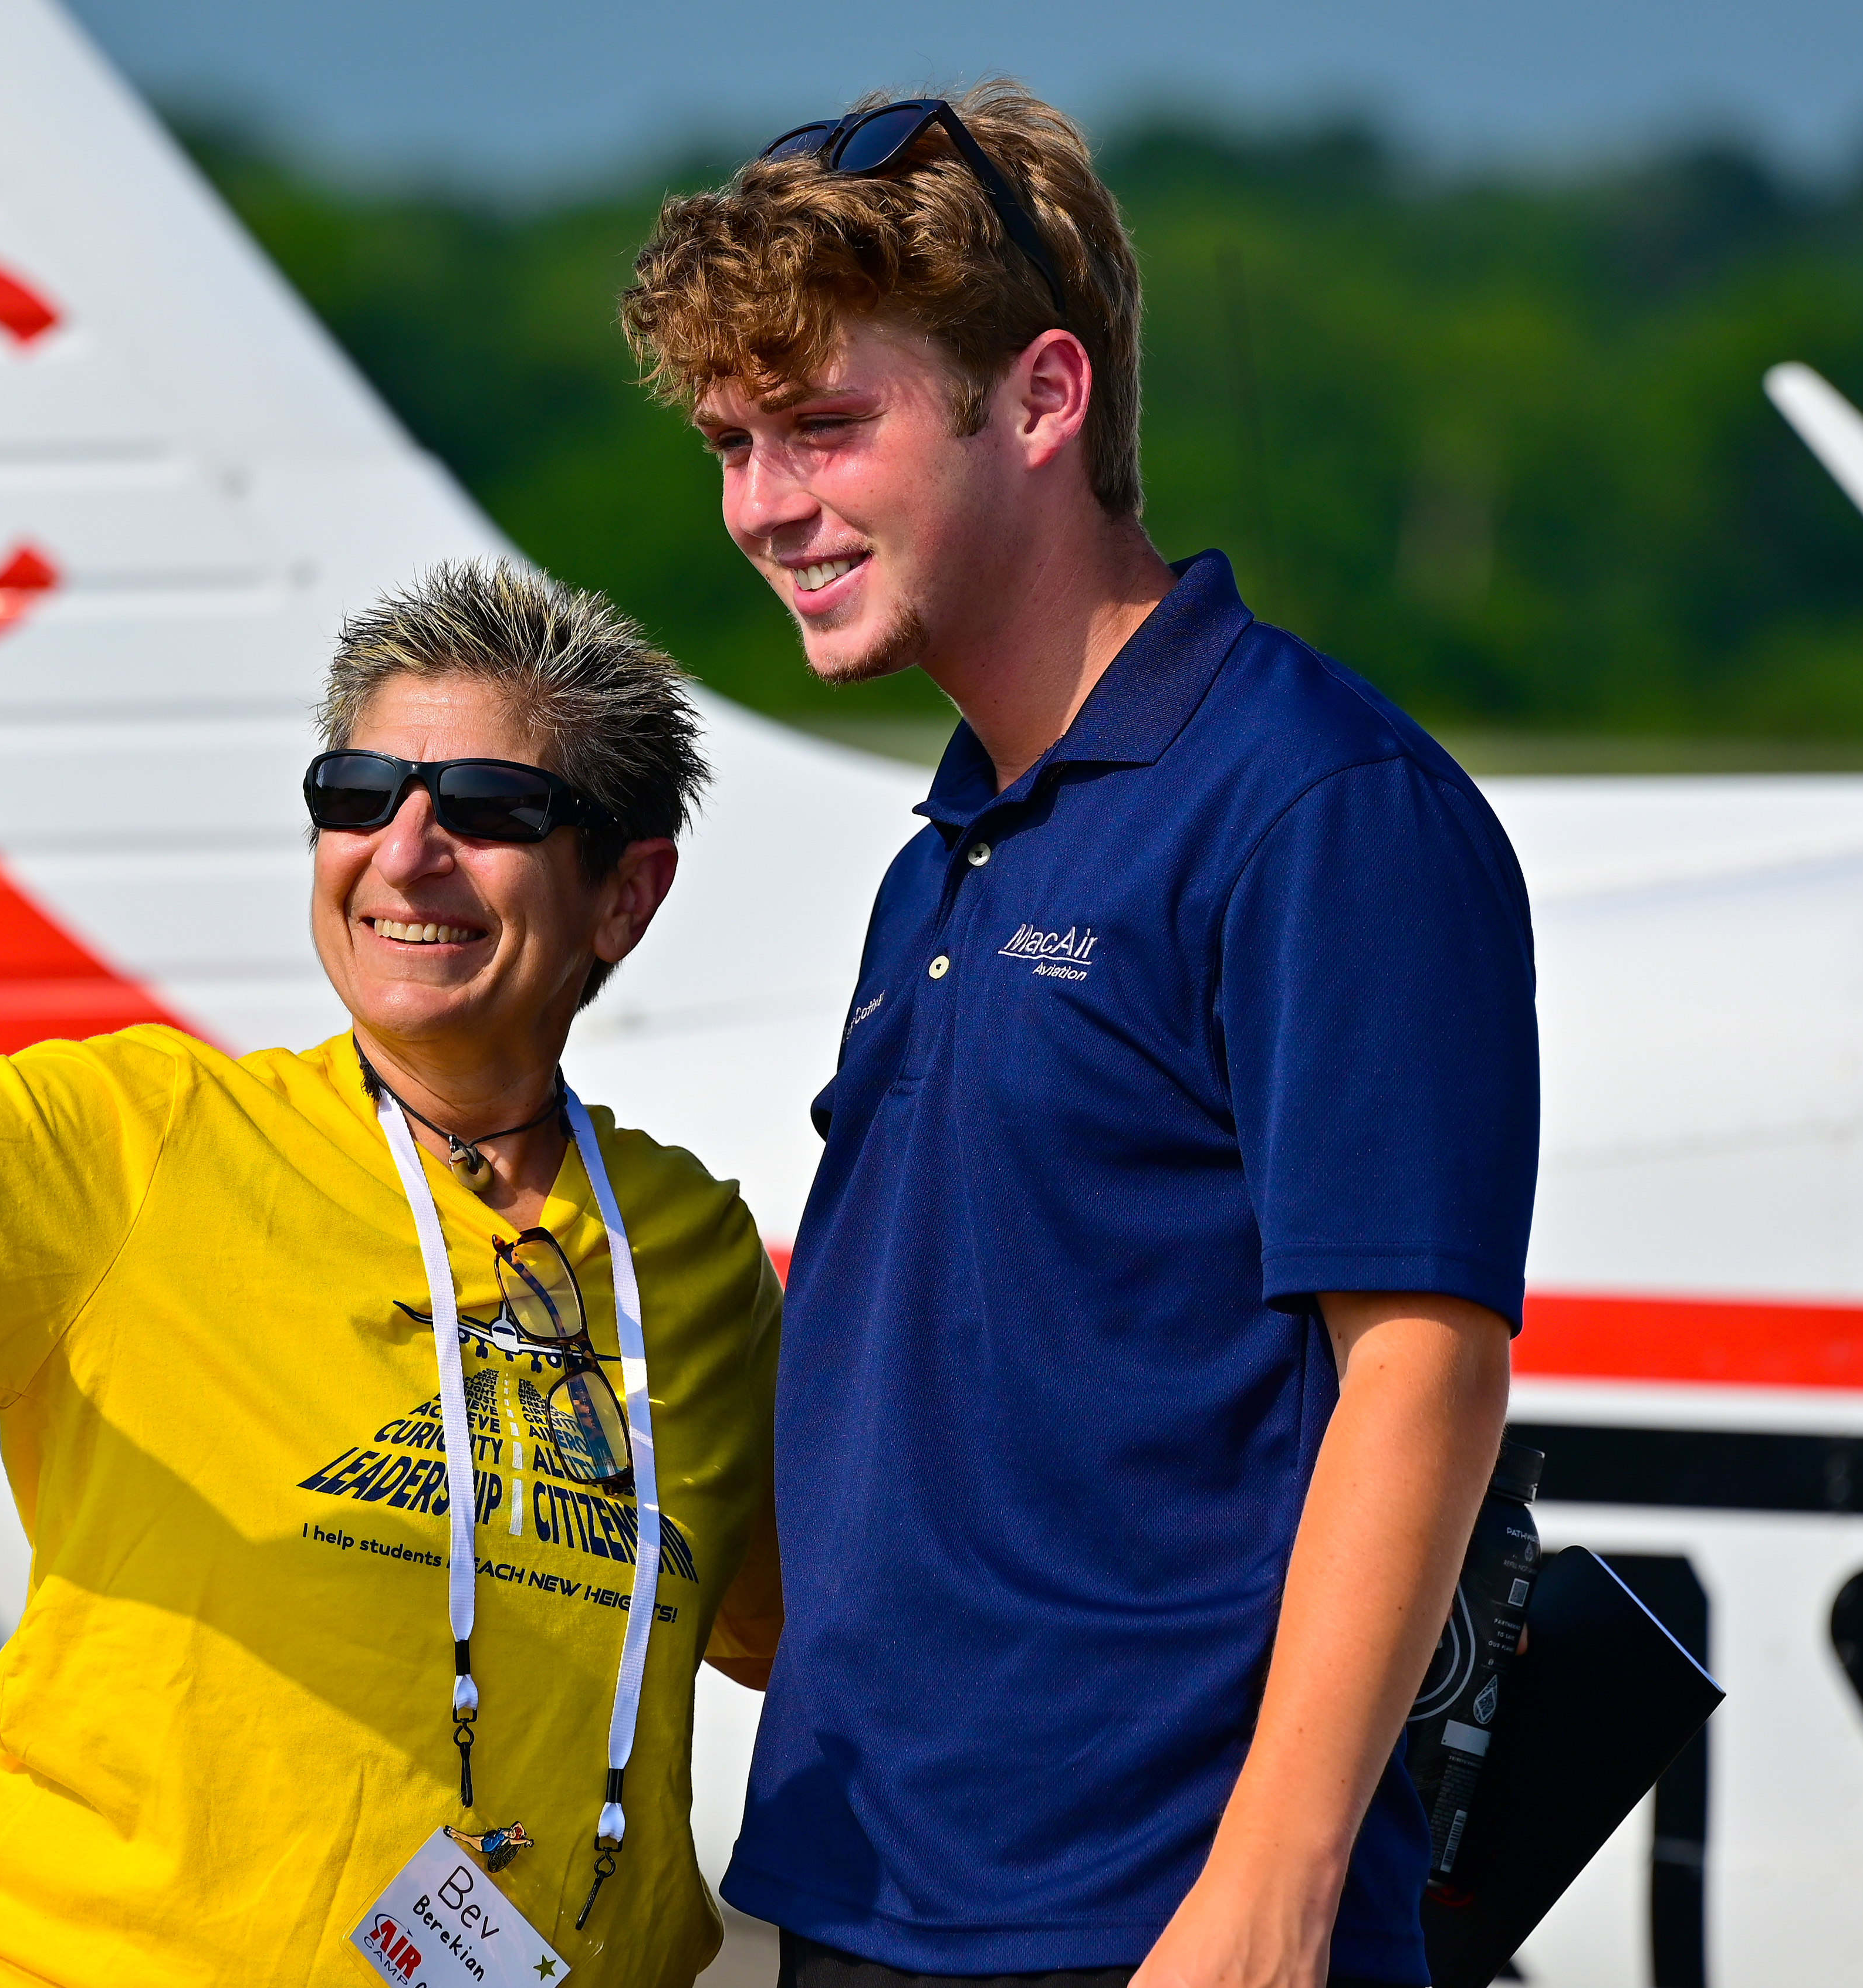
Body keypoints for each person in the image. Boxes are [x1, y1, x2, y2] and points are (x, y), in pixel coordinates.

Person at [0, 560, 784, 1985]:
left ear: (625, 893)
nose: (407, 848)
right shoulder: (147, 1138)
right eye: (359, 791)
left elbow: (800, 1635)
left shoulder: (690, 1256)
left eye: (493, 810)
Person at [621, 86, 1538, 1988]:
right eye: (730, 443)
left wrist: (1269, 1899)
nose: (762, 505)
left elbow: (1421, 1371)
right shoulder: (950, 843)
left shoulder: (1314, 801)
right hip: (868, 1895)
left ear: (1041, 400)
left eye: (822, 427)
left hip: (1149, 1919)